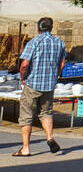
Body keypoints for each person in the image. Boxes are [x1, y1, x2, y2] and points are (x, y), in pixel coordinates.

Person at [15, 16, 66, 157]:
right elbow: (62, 63)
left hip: (33, 84)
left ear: (38, 27)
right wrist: (56, 76)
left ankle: (25, 148)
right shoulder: (59, 43)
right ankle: (49, 137)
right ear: (51, 28)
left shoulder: (34, 42)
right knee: (46, 112)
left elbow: (25, 64)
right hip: (49, 84)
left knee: (26, 116)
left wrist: (22, 77)